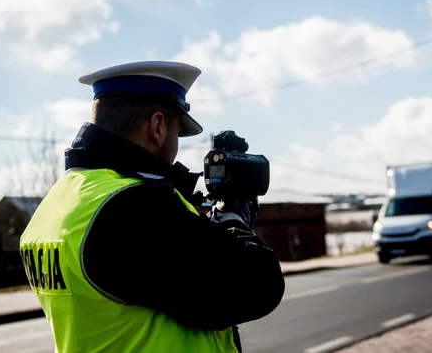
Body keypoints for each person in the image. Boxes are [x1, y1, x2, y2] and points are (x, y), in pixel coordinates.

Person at [19, 60, 285, 353]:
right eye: (176, 133)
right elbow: (258, 286)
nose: (175, 148)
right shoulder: (133, 207)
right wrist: (234, 220)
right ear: (157, 126)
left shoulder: (59, 202)